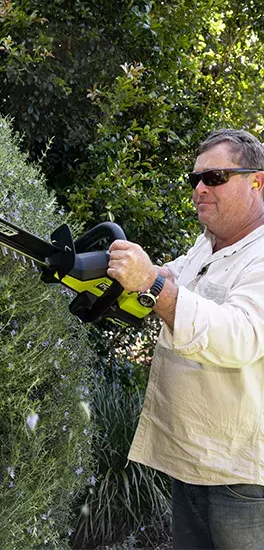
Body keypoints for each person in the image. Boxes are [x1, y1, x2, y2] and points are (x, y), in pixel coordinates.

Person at [107, 128, 264, 550]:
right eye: (194, 179)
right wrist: (102, 274)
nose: (199, 188)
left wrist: (156, 287)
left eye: (214, 178)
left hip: (242, 477)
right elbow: (167, 278)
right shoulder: (207, 245)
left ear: (257, 181)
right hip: (193, 458)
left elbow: (242, 335)